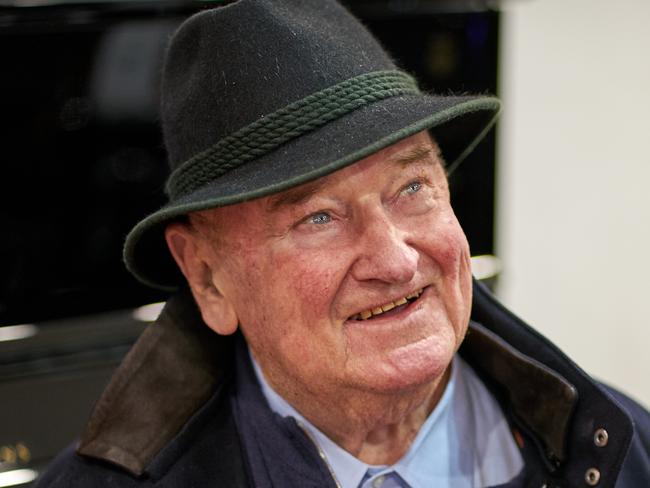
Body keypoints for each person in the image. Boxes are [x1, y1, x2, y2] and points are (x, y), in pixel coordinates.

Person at [37, 0, 650, 487]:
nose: (395, 260)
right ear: (208, 277)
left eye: (412, 186)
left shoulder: (623, 446)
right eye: (318, 219)